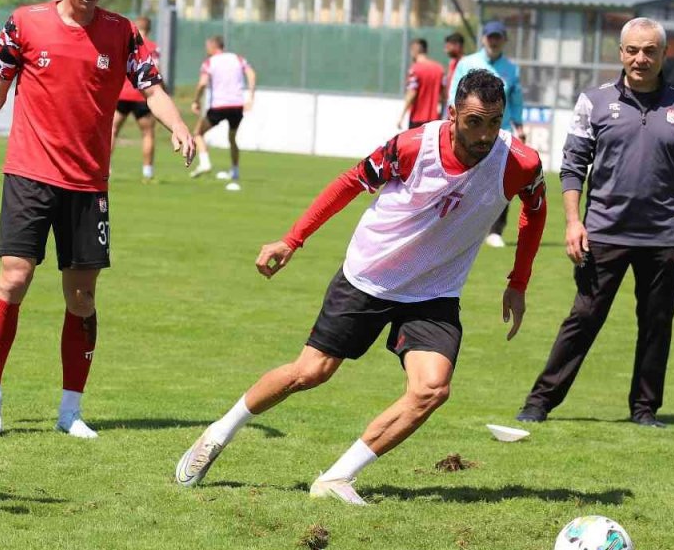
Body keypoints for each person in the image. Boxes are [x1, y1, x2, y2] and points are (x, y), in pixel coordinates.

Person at [175, 69, 546, 504]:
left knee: (431, 389)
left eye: (494, 122)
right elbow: (351, 182)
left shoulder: (520, 162)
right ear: (452, 115)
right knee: (310, 373)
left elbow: (535, 210)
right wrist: (292, 239)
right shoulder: (412, 147)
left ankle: (336, 478)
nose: (485, 135)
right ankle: (219, 433)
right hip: (370, 276)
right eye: (474, 122)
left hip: (434, 291)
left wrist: (518, 280)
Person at [0, 0, 195, 439]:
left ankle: (70, 411)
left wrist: (178, 127)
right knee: (13, 279)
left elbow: (152, 88)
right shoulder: (25, 23)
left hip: (88, 185)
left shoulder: (123, 33)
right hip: (29, 174)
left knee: (82, 297)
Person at [516, 17, 674, 429]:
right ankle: (539, 403)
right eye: (633, 50)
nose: (641, 58)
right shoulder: (594, 102)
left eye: (650, 51)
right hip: (603, 231)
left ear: (663, 54)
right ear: (621, 53)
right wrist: (574, 223)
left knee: (657, 324)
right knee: (583, 319)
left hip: (663, 237)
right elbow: (572, 168)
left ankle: (644, 410)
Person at [448, 21, 524, 248]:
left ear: (504, 40)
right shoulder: (467, 63)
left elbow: (517, 100)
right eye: (490, 37)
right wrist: (452, 122)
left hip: (500, 132)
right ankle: (455, 224)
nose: (494, 41)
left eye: (498, 37)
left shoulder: (512, 69)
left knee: (501, 179)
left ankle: (495, 230)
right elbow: (454, 94)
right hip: (468, 131)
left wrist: (519, 125)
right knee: (462, 177)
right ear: (483, 39)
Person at [189, 35, 256, 191]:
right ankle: (235, 171)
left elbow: (202, 83)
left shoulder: (209, 62)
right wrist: (251, 97)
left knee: (197, 133)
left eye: (207, 46)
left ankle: (205, 163)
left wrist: (196, 100)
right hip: (237, 105)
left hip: (219, 106)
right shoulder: (237, 58)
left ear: (213, 46)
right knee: (232, 138)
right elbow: (251, 74)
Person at [112, 16, 162, 182]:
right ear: (150, 28)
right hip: (142, 96)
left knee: (112, 131)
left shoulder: (125, 42)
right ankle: (147, 173)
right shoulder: (153, 48)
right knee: (147, 133)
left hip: (123, 94)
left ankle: (105, 169)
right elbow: (155, 71)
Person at [396, 38, 444, 130]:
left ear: (414, 50)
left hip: (417, 118)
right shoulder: (439, 69)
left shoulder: (415, 69)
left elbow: (411, 94)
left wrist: (401, 117)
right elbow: (444, 95)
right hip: (435, 120)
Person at [440, 32, 465, 116]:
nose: (445, 50)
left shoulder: (465, 64)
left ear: (457, 46)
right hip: (448, 108)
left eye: (448, 47)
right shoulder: (452, 63)